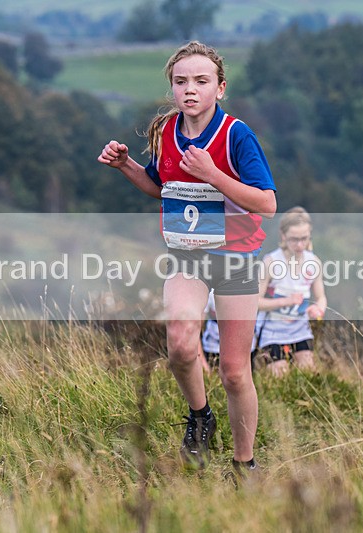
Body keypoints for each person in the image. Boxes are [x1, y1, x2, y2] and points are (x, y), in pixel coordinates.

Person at [97, 41, 276, 477]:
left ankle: (244, 464)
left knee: (234, 372)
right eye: (181, 82)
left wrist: (213, 174)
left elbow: (267, 204)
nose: (190, 90)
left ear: (220, 88)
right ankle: (200, 416)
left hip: (236, 258)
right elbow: (162, 188)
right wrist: (126, 167)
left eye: (201, 81)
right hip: (187, 257)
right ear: (172, 88)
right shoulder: (165, 132)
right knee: (179, 343)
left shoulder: (236, 135)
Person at [255, 207, 326, 377]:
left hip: (300, 329)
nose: (300, 245)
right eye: (294, 239)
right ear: (283, 236)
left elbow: (321, 297)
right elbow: (255, 302)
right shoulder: (271, 262)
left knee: (308, 375)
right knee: (280, 377)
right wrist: (285, 301)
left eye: (304, 238)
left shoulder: (314, 262)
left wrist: (318, 309)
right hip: (272, 331)